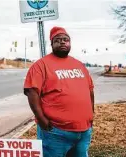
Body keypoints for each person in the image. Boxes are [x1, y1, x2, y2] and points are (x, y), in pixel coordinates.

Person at [23, 26, 94, 157]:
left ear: (70, 43)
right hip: (55, 133)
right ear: (51, 44)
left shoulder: (79, 65)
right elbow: (32, 92)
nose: (62, 42)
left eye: (66, 39)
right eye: (58, 40)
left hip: (83, 132)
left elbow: (89, 90)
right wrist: (42, 119)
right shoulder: (41, 65)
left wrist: (91, 115)